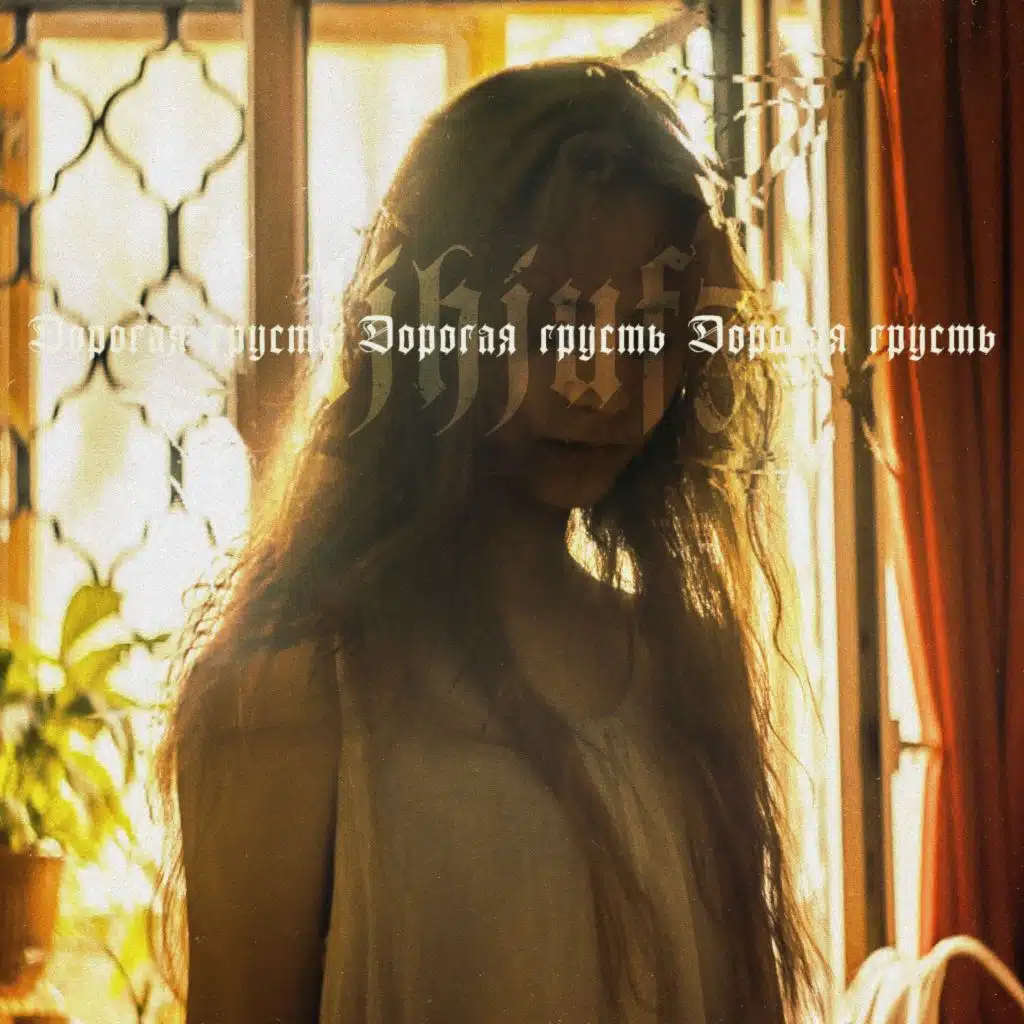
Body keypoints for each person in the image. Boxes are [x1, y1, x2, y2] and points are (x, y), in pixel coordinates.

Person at [153, 57, 820, 1024]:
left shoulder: (692, 667)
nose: (599, 382)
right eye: (547, 321)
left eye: (646, 329)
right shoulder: (293, 692)